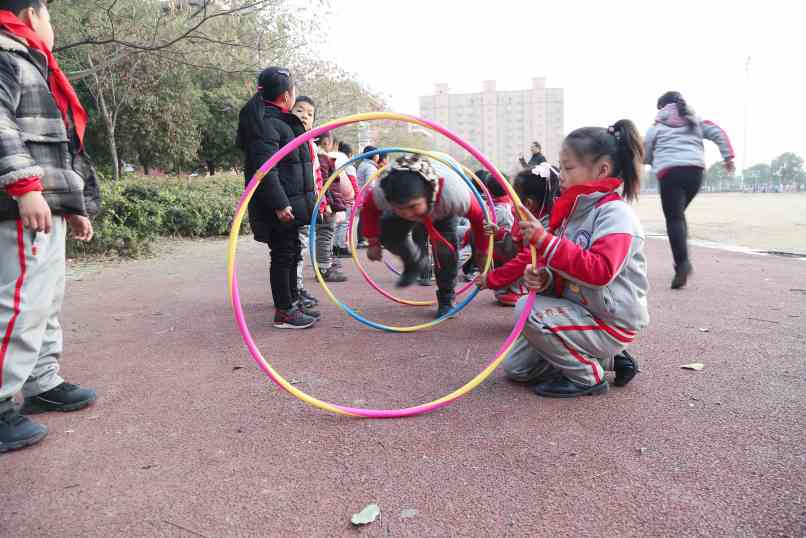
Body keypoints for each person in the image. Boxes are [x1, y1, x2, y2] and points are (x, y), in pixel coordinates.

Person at [484, 120, 648, 398]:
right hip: (580, 311)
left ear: (602, 170)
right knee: (517, 369)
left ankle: (588, 377)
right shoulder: (572, 213)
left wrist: (545, 242)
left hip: (608, 320)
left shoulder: (616, 215)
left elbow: (600, 271)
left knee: (526, 308)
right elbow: (567, 267)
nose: (561, 175)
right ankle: (610, 359)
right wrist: (545, 278)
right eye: (560, 167)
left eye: (568, 168)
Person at [0, 0, 100, 453]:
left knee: (46, 299)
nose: (51, 25)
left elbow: (57, 147)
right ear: (31, 15)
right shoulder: (7, 54)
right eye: (49, 15)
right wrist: (24, 187)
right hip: (18, 203)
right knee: (21, 302)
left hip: (43, 202)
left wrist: (70, 204)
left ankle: (41, 380)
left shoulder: (33, 61)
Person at [236, 66, 320, 329]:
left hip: (289, 203)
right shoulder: (267, 124)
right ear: (286, 95)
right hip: (278, 206)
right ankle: (284, 311)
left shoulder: (280, 121)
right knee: (283, 254)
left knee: (292, 252)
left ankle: (293, 302)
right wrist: (280, 203)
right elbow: (264, 170)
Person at [361, 155, 488, 318]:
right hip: (416, 201)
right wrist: (373, 242)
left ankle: (447, 297)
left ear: (428, 194)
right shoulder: (383, 191)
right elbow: (369, 210)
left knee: (445, 250)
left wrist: (482, 253)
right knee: (389, 229)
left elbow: (480, 220)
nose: (408, 214)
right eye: (400, 208)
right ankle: (414, 261)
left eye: (412, 206)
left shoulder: (454, 194)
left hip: (442, 204)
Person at [644, 91, 735, 289]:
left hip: (669, 173)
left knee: (674, 219)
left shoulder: (656, 126)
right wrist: (728, 157)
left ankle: (682, 264)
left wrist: (651, 161)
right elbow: (718, 132)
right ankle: (683, 260)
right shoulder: (695, 121)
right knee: (678, 216)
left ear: (661, 107)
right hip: (695, 173)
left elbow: (646, 151)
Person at [480, 163, 560, 307]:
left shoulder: (548, 226)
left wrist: (492, 279)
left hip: (551, 282)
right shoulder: (530, 218)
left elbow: (527, 258)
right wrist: (499, 233)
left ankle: (522, 290)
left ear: (528, 204)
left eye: (514, 199)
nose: (512, 204)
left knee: (524, 306)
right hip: (536, 272)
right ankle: (518, 288)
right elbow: (515, 243)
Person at [289, 96, 322, 308]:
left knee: (300, 249)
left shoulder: (310, 145)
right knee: (294, 250)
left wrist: (321, 202)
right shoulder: (287, 139)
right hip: (293, 205)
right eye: (299, 110)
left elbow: (316, 177)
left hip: (306, 204)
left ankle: (296, 288)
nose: (304, 116)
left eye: (310, 114)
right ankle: (294, 291)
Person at [313, 132, 349, 281]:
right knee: (325, 233)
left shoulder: (321, 158)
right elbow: (323, 183)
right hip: (327, 203)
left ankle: (326, 263)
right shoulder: (321, 159)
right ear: (327, 142)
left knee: (327, 233)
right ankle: (323, 269)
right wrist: (326, 204)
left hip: (329, 201)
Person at [332, 141, 358, 258]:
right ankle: (341, 247)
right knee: (345, 223)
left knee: (338, 223)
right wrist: (358, 197)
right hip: (347, 197)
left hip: (337, 195)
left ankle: (336, 246)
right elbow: (353, 182)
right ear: (350, 154)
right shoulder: (349, 166)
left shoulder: (335, 161)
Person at [355, 145, 381, 248]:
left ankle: (362, 240)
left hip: (361, 195)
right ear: (374, 155)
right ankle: (363, 240)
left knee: (363, 218)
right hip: (365, 196)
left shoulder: (363, 164)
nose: (378, 156)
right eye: (377, 154)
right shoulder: (370, 167)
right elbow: (370, 184)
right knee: (365, 218)